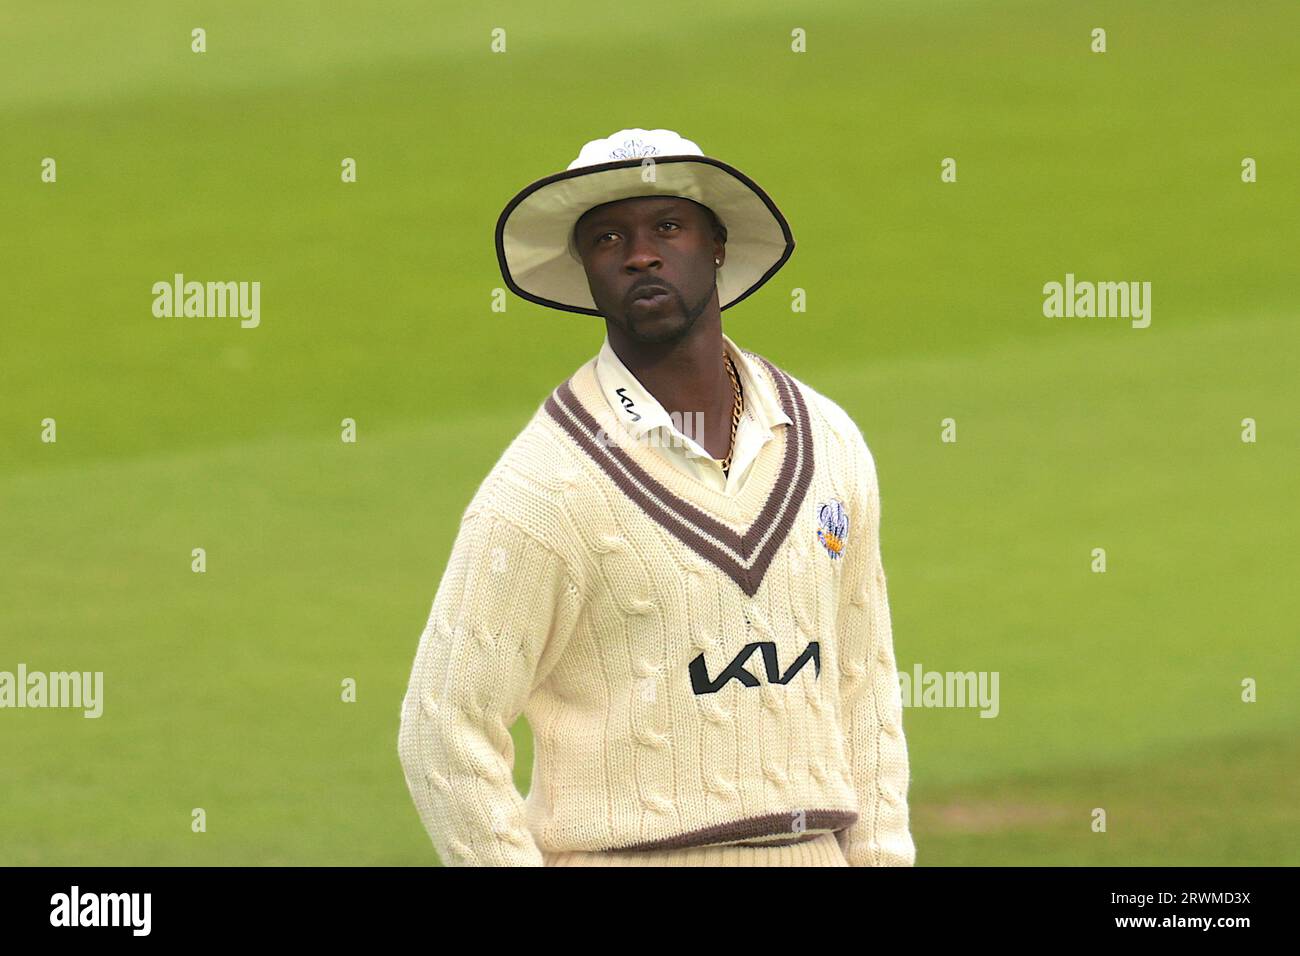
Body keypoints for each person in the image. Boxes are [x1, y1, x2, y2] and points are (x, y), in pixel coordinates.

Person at [397, 128, 916, 867]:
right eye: (609, 238)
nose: (640, 253)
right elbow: (442, 724)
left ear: (717, 246)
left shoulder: (828, 442)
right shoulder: (543, 487)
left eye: (666, 227)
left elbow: (864, 687)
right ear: (587, 271)